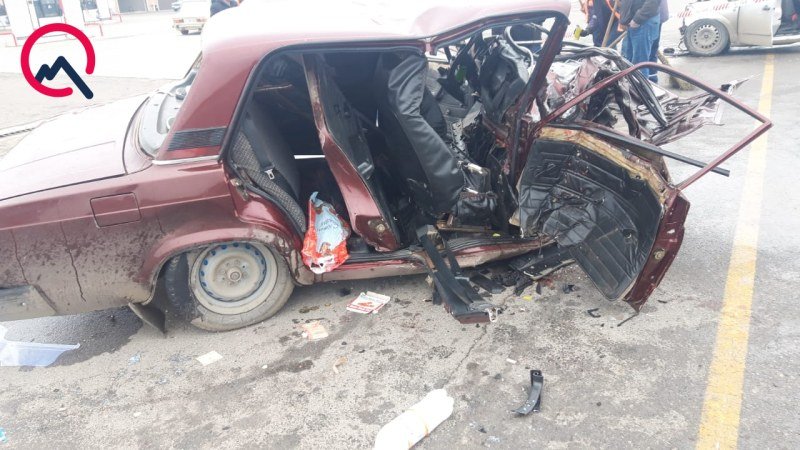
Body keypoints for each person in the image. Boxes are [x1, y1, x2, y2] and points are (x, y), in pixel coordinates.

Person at [619, 0, 661, 81]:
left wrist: (638, 19)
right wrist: (623, 19)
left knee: (639, 64)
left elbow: (652, 2)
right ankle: (634, 85)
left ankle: (641, 88)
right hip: (634, 21)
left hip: (643, 22)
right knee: (630, 60)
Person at [647, 0, 669, 83]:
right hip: (656, 16)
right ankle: (652, 79)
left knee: (649, 51)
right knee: (652, 50)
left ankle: (651, 80)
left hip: (650, 18)